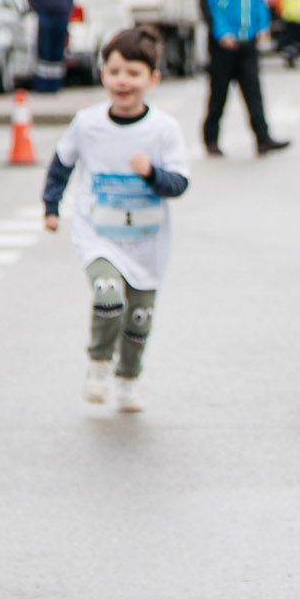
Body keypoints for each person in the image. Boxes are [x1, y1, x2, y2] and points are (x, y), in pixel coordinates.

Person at [42, 29, 191, 413]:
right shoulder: (87, 123)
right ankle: (97, 364)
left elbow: (179, 183)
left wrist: (152, 173)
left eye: (134, 73)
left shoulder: (163, 129)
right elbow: (62, 163)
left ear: (153, 79)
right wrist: (51, 206)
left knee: (139, 318)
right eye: (114, 71)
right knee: (108, 297)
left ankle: (128, 379)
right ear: (103, 73)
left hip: (146, 241)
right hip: (98, 235)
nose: (123, 81)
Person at [200, 0, 288, 157]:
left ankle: (263, 138)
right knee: (219, 91)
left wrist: (263, 25)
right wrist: (221, 32)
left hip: (247, 37)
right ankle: (211, 139)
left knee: (253, 89)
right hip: (224, 40)